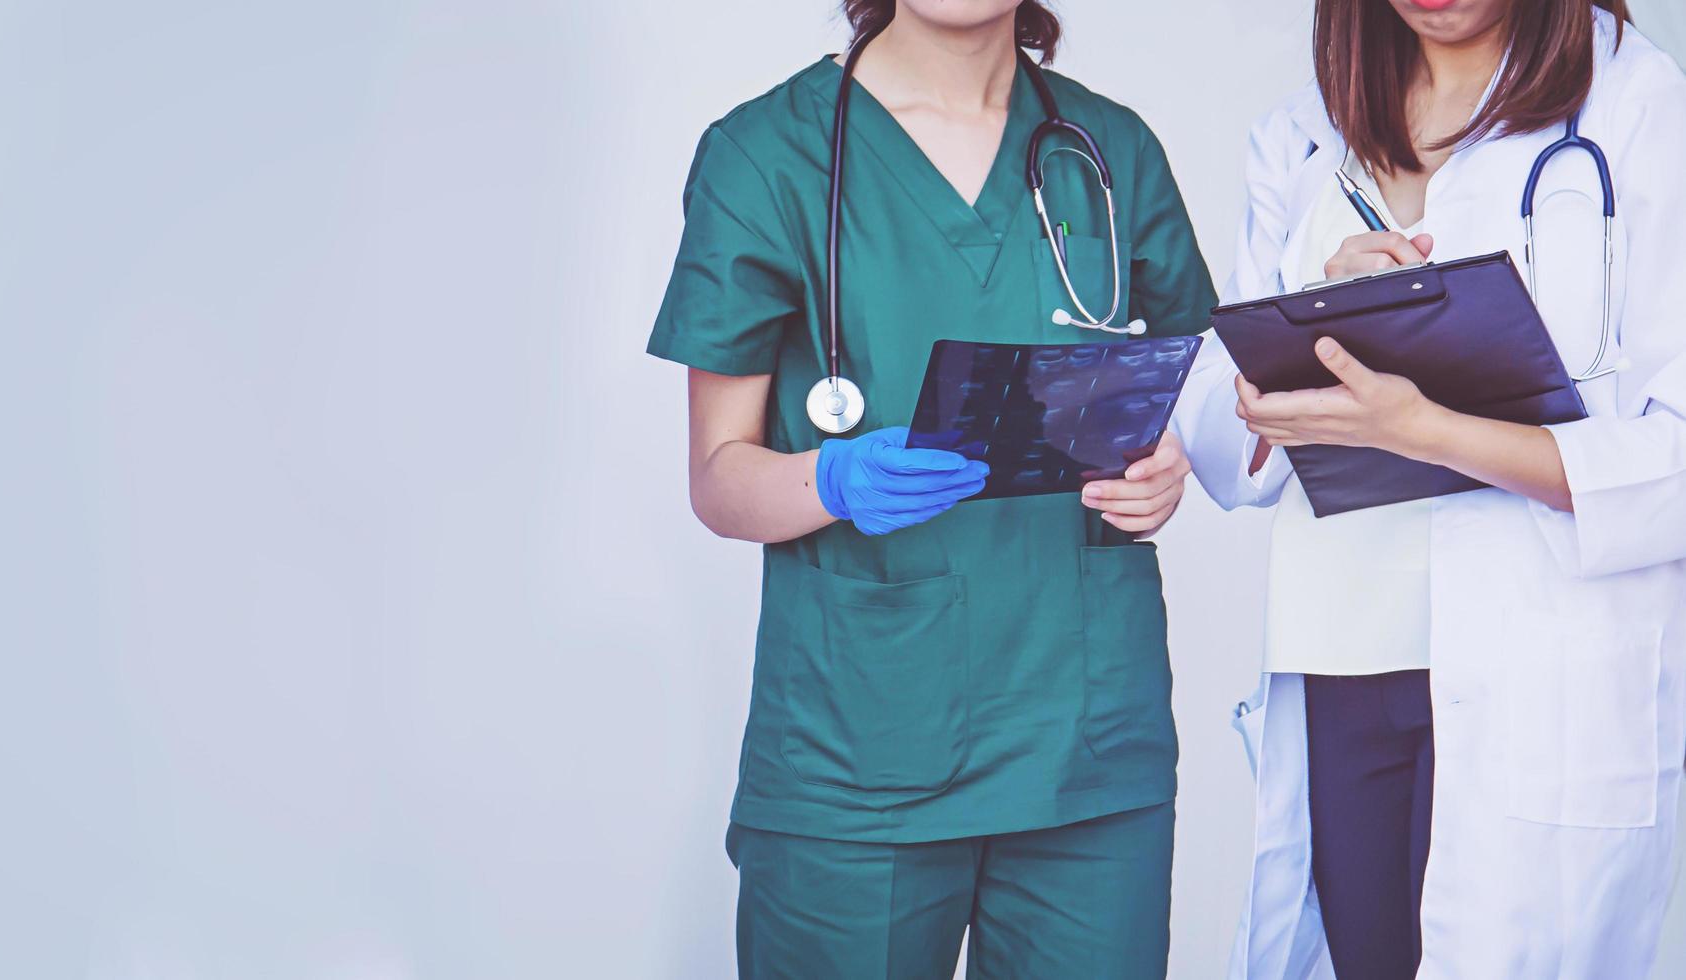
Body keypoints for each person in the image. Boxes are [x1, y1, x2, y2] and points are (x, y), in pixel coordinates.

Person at [647, 1, 1221, 975]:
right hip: (855, 749)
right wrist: (832, 477)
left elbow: (1198, 385)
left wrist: (1169, 462)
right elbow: (717, 476)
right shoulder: (766, 156)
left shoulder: (1107, 150)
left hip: (1084, 745)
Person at [1174, 0, 1686, 977]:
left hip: (1536, 670)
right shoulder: (1303, 133)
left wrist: (1431, 431)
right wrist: (1313, 313)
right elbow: (1216, 435)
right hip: (1341, 653)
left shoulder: (1636, 108)